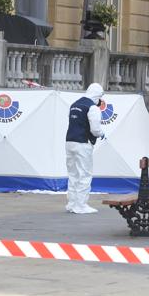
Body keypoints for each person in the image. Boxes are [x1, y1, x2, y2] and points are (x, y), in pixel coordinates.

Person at [65, 83, 106, 214]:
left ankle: (72, 204)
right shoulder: (92, 107)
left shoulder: (74, 105)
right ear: (98, 95)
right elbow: (95, 130)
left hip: (70, 141)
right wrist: (101, 134)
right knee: (85, 174)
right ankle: (81, 205)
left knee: (73, 174)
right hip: (83, 143)